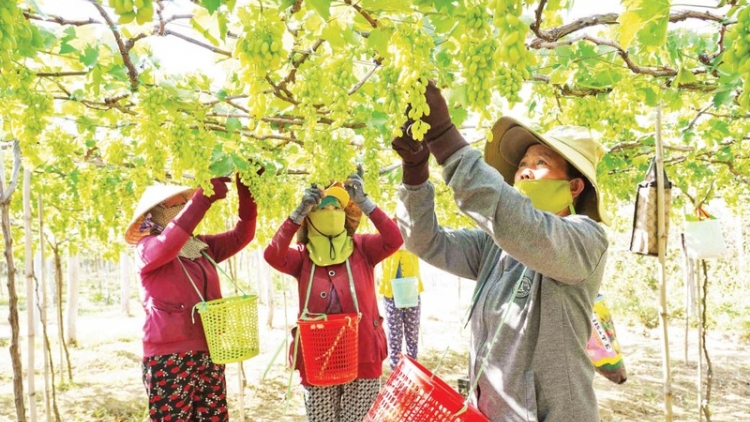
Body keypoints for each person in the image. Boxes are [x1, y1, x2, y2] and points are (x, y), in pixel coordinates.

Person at [391, 81, 609, 422]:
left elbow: (518, 223)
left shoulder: (586, 240)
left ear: (574, 187)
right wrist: (415, 175)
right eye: (523, 162)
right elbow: (424, 241)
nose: (524, 169)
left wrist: (445, 137)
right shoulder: (496, 247)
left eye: (540, 163)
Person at [263, 172, 403, 422]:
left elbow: (395, 238)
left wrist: (365, 203)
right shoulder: (301, 255)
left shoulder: (363, 248)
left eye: (337, 205)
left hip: (363, 356)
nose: (331, 210)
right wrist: (297, 214)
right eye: (322, 206)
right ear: (310, 217)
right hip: (319, 359)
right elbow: (272, 255)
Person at [124, 174, 258, 421]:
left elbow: (243, 235)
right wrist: (203, 199)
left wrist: (247, 195)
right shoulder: (147, 248)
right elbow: (168, 244)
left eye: (187, 202)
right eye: (178, 203)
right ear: (156, 212)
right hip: (168, 357)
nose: (185, 205)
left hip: (211, 351)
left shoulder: (200, 247)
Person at [378, 236, 424, 370]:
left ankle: (412, 372)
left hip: (412, 292)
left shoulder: (412, 235)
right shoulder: (385, 236)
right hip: (391, 294)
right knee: (394, 337)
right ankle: (395, 372)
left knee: (412, 336)